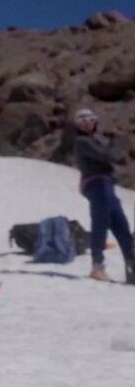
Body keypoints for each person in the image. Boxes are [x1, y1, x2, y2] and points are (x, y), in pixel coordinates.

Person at [73, 108, 134, 283]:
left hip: (105, 185)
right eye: (82, 120)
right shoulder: (82, 141)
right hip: (97, 184)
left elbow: (112, 155)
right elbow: (110, 155)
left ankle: (132, 268)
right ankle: (97, 266)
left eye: (90, 119)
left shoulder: (94, 141)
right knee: (100, 222)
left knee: (122, 227)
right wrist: (119, 140)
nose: (87, 122)